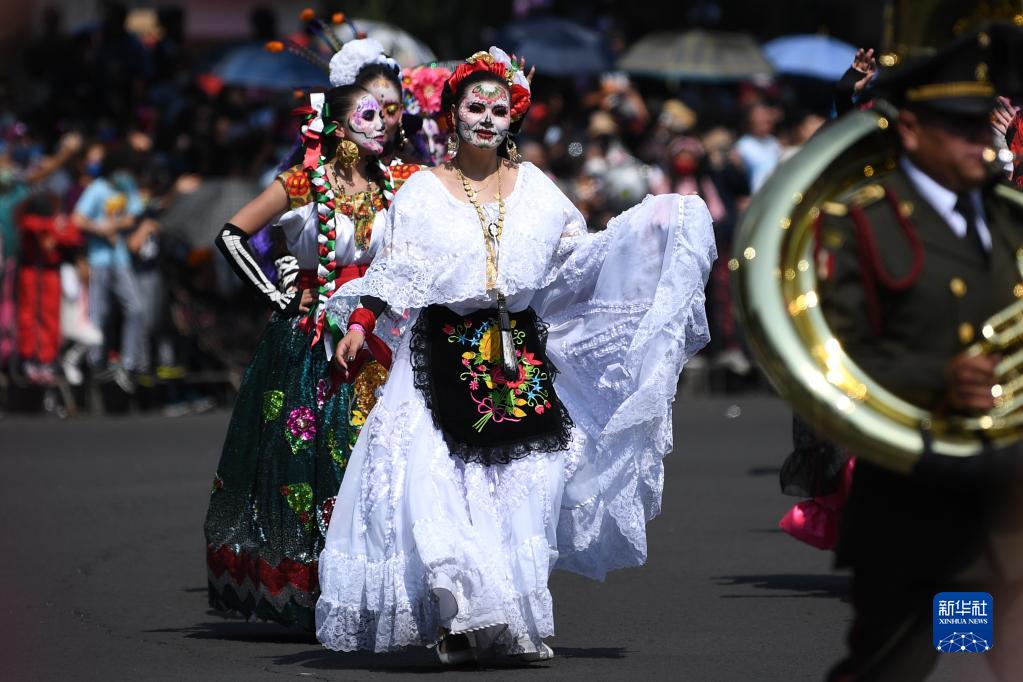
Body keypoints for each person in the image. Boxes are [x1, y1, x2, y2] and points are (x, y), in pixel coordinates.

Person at [315, 47, 715, 663]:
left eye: (498, 107)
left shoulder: (540, 192)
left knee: (523, 487)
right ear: (451, 113)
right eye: (473, 105)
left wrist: (650, 231)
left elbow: (576, 264)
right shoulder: (421, 192)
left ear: (513, 118)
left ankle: (505, 620)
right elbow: (392, 268)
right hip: (436, 356)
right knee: (435, 483)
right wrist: (361, 324)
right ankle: (458, 612)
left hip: (516, 357)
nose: (485, 116)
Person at [817, 28, 1023, 680]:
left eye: (984, 122)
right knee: (892, 669)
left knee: (984, 666)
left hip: (1005, 505)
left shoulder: (1010, 217)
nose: (980, 139)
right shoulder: (864, 222)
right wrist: (939, 379)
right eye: (960, 126)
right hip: (913, 505)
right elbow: (831, 356)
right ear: (909, 129)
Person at [204, 36, 420, 631]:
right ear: (339, 121)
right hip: (311, 340)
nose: (384, 122)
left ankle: (381, 584)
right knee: (312, 455)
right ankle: (311, 585)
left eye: (393, 110)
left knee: (388, 458)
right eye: (369, 111)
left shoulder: (404, 182)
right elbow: (230, 235)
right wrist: (280, 292)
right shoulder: (304, 182)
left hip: (386, 336)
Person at [71, 142, 147, 392]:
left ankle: (130, 361)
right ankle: (96, 362)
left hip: (121, 259)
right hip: (99, 260)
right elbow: (78, 218)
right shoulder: (97, 189)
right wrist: (99, 228)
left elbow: (134, 215)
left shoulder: (127, 188)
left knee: (135, 308)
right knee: (98, 313)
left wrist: (115, 226)